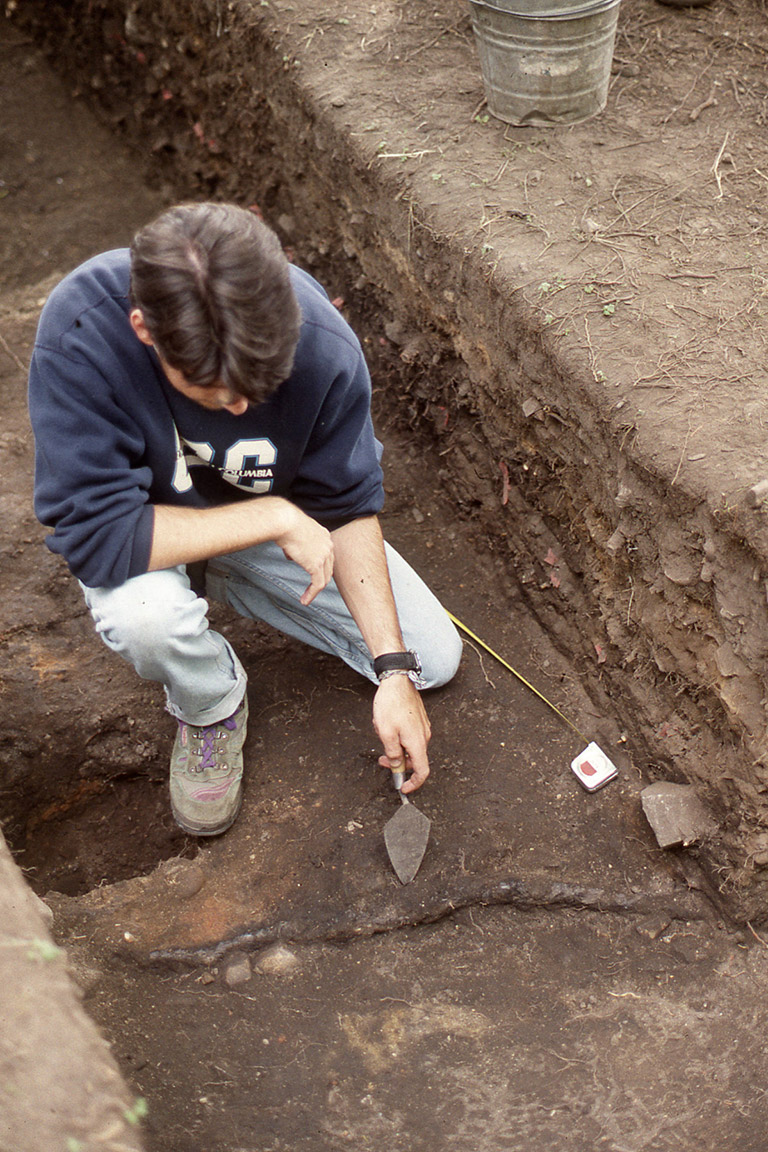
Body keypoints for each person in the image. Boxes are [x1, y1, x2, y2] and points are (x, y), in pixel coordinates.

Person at [28, 201, 461, 837]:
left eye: (257, 389)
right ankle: (209, 703)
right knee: (148, 619)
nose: (236, 407)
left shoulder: (321, 345)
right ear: (144, 328)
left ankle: (222, 578)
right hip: (142, 532)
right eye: (213, 390)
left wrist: (393, 670)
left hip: (254, 525)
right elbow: (97, 538)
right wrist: (278, 518)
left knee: (433, 656)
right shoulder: (82, 333)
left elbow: (344, 505)